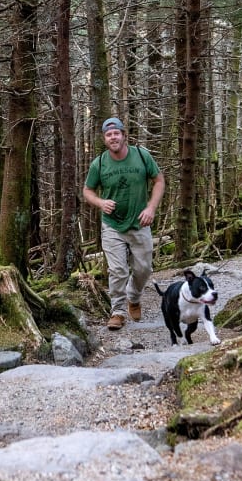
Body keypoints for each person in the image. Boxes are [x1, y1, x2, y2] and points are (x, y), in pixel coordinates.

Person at [83, 117, 165, 330]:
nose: (113, 137)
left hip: (140, 222)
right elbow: (87, 191)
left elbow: (159, 181)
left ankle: (134, 296)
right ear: (105, 138)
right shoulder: (99, 163)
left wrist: (151, 208)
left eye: (116, 133)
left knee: (144, 268)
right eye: (109, 135)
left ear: (123, 135)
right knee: (118, 270)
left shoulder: (141, 155)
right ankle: (118, 312)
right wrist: (101, 202)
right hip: (112, 225)